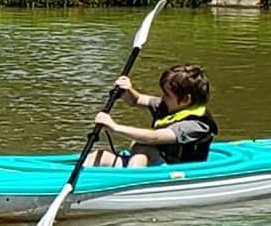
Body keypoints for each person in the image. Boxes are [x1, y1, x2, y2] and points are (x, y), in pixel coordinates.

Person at [85, 64, 218, 168]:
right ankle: (74, 182)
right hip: (153, 162)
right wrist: (126, 90)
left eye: (167, 94)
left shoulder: (196, 125)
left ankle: (132, 186)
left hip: (174, 170)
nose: (163, 98)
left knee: (143, 148)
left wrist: (115, 127)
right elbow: (137, 100)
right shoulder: (170, 104)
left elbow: (154, 137)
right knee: (99, 156)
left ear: (186, 99)